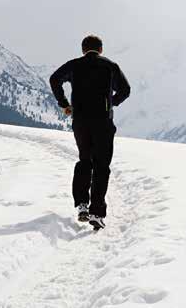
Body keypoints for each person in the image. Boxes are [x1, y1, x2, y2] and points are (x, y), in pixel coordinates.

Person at [49, 35, 131, 230]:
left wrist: (64, 104)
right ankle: (97, 211)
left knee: (84, 160)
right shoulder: (110, 66)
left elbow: (54, 79)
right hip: (103, 121)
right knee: (102, 166)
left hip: (81, 122)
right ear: (101, 49)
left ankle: (82, 205)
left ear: (83, 49)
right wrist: (113, 101)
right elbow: (126, 90)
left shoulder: (74, 65)